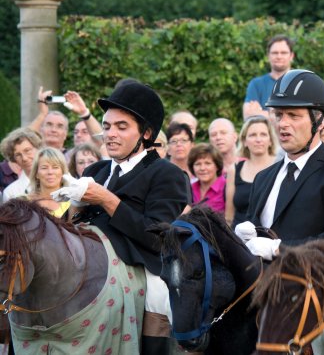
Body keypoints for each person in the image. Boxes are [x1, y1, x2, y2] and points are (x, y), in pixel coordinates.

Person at [239, 69, 324, 355]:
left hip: (319, 312)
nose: (283, 124)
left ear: (319, 121)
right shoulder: (264, 177)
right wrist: (241, 236)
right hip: (264, 308)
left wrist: (278, 248)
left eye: (294, 116)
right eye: (279, 115)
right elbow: (258, 238)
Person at [72, 79, 188, 355]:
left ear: (146, 133)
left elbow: (156, 237)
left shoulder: (167, 174)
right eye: (107, 126)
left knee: (159, 298)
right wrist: (70, 209)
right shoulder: (94, 170)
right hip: (89, 261)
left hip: (142, 268)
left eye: (122, 127)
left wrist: (107, 200)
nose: (110, 134)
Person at [225, 115, 278, 225]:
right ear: (244, 141)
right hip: (238, 238)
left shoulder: (281, 166)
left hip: (271, 237)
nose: (258, 139)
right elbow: (229, 217)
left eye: (263, 134)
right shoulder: (234, 170)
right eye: (253, 135)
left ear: (271, 141)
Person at [243, 35, 294, 120]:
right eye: (275, 53)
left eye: (284, 53)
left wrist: (262, 113)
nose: (279, 56)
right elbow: (248, 117)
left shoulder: (301, 83)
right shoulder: (256, 84)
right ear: (268, 56)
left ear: (291, 56)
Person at [0, 127, 43, 202]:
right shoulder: (11, 193)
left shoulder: (63, 179)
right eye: (18, 155)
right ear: (14, 159)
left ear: (38, 148)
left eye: (27, 150)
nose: (24, 158)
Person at [28, 147, 70, 217]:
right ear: (36, 173)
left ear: (63, 172)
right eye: (44, 168)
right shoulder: (25, 202)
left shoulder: (72, 203)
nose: (50, 172)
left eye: (55, 167)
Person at [188, 143, 226, 213]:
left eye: (207, 163)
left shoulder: (226, 187)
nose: (202, 168)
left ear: (217, 165)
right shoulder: (189, 189)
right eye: (198, 164)